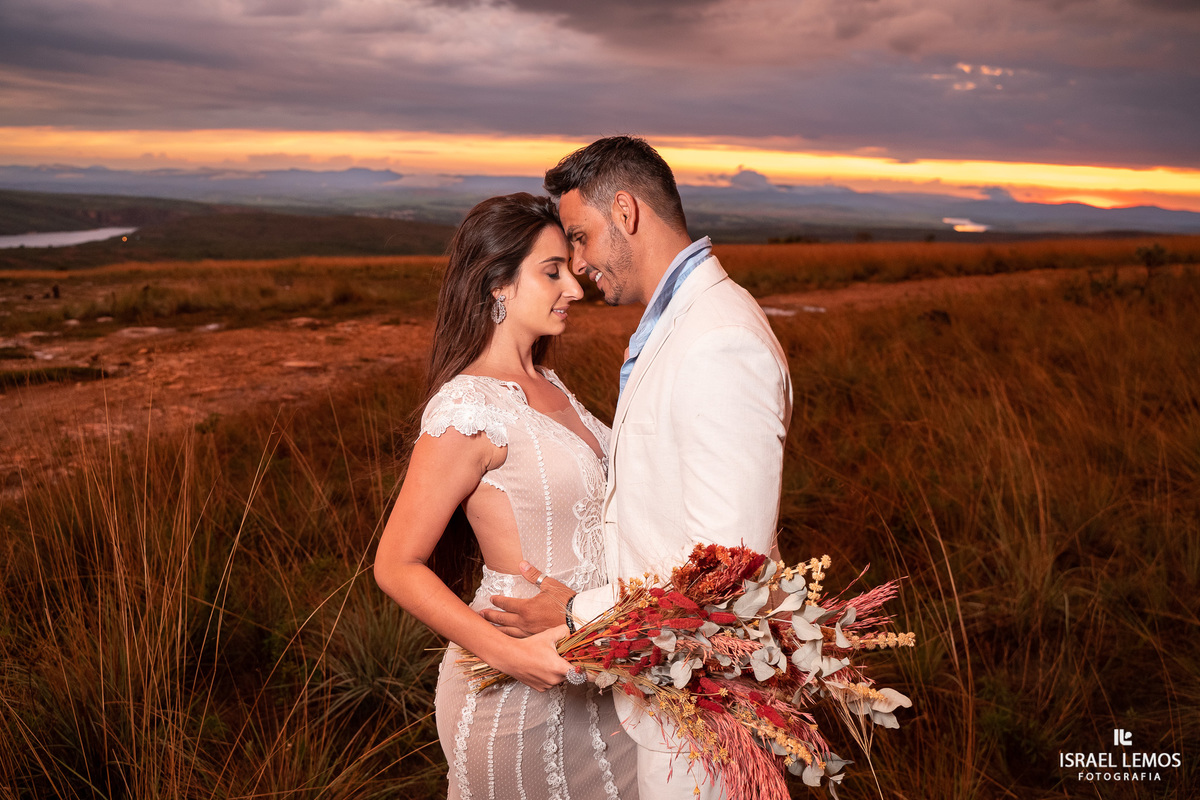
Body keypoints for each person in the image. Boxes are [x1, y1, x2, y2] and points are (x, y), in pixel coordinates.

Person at [480, 137, 793, 799]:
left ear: (625, 212)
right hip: (665, 693)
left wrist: (578, 613)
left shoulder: (719, 341)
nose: (579, 264)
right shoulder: (680, 325)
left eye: (581, 237)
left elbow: (728, 565)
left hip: (705, 709)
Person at [374, 193, 639, 800]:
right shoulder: (468, 407)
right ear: (498, 284)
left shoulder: (552, 384)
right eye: (552, 272)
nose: (574, 288)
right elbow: (395, 564)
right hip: (517, 694)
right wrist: (509, 656)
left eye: (571, 269)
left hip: (603, 674)